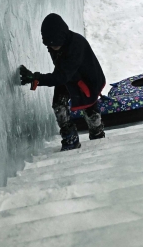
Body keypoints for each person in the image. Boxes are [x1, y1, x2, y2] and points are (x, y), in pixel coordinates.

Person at [18, 14, 106, 151]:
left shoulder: (76, 45)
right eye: (50, 45)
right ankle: (70, 137)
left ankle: (97, 134)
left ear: (63, 37)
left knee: (90, 109)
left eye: (56, 44)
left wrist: (37, 78)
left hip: (88, 80)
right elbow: (62, 72)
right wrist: (38, 78)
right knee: (59, 105)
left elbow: (61, 76)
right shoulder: (54, 45)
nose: (53, 47)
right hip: (69, 75)